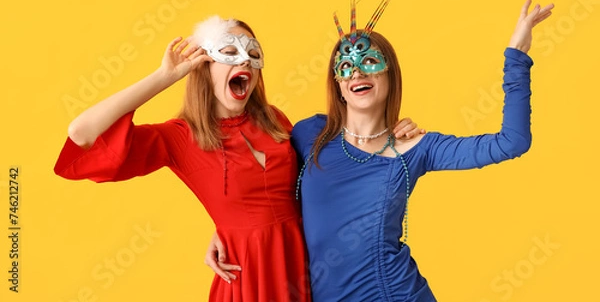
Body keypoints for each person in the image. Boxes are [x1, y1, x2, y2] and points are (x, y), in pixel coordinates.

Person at [53, 15, 422, 302]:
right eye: (229, 52)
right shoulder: (180, 137)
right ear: (206, 66)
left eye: (252, 53)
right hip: (248, 278)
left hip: (305, 267)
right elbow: (82, 133)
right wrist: (164, 77)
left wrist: (389, 136)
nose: (242, 59)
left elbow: (323, 172)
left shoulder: (276, 121)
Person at [208, 0, 554, 301]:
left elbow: (511, 142)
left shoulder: (416, 147)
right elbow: (263, 181)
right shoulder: (309, 134)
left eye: (370, 62)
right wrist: (226, 228)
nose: (357, 72)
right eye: (346, 67)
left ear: (390, 77)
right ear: (339, 85)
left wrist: (517, 57)